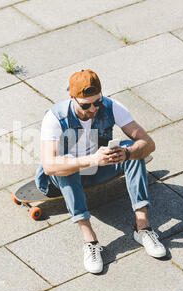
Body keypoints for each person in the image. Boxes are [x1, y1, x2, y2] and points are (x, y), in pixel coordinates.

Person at [35, 69, 166, 274]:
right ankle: (90, 241)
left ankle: (143, 228)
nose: (93, 109)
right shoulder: (55, 117)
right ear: (72, 98)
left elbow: (148, 144)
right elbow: (50, 164)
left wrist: (127, 152)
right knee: (66, 166)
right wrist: (91, 159)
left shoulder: (111, 107)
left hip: (100, 167)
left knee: (133, 150)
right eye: (86, 105)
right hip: (62, 178)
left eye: (97, 102)